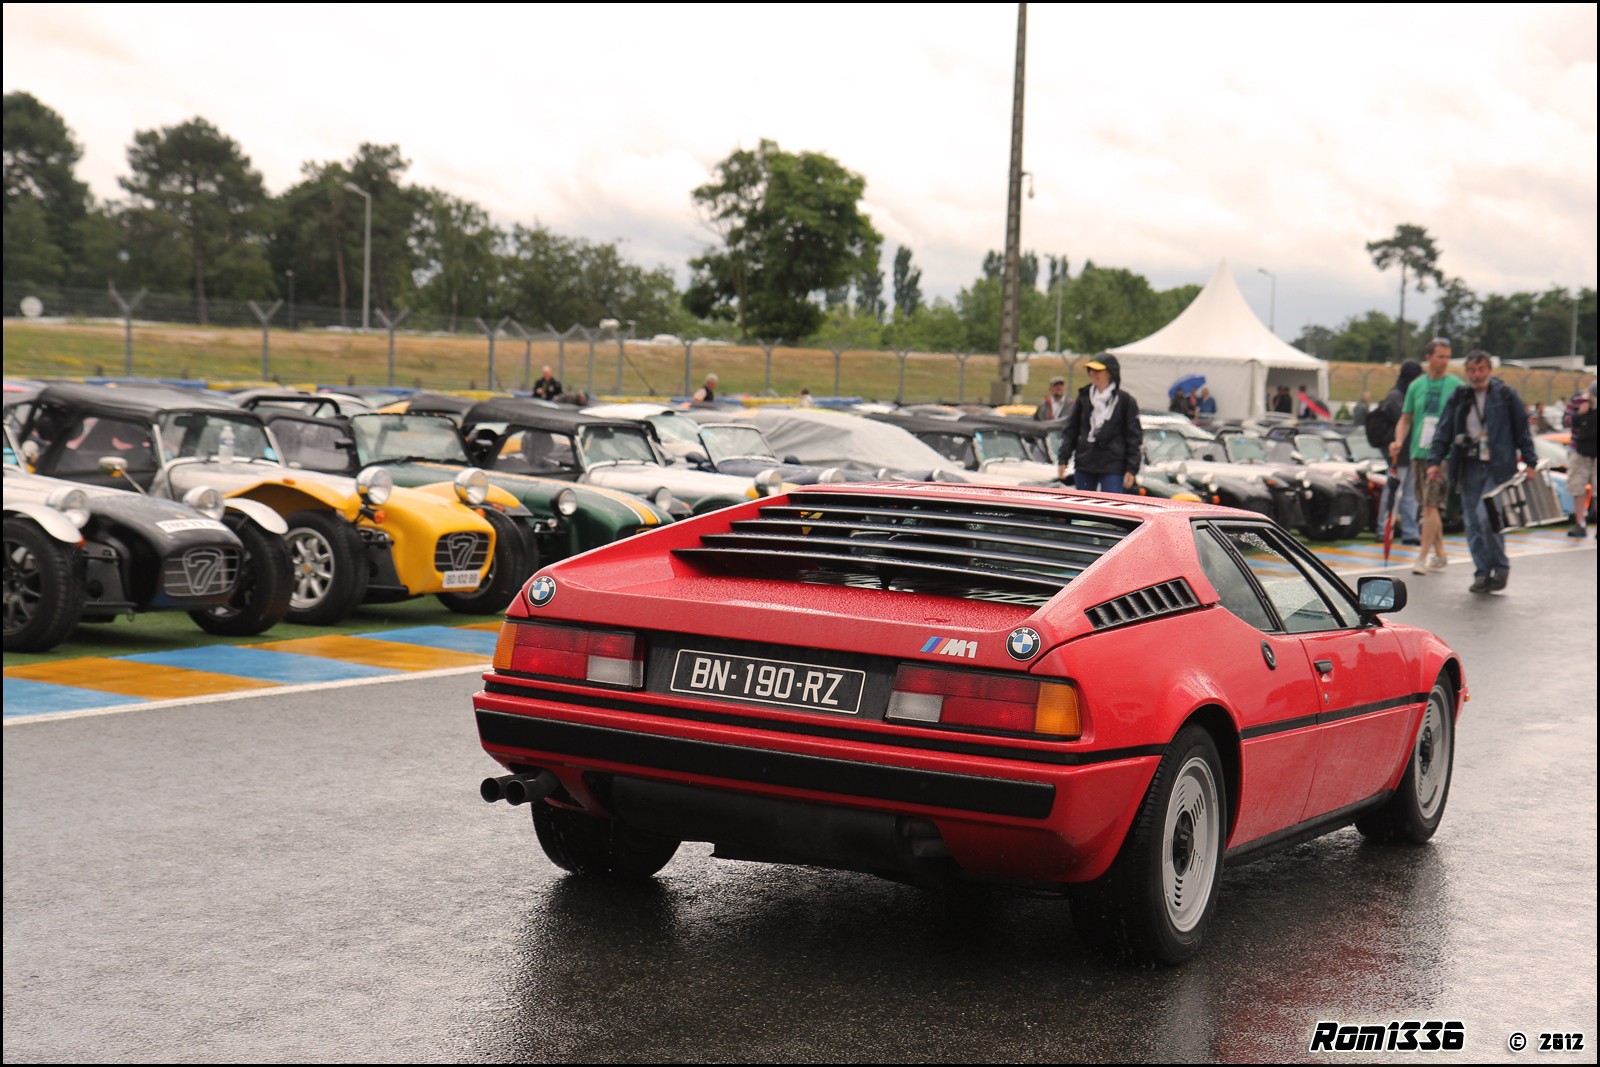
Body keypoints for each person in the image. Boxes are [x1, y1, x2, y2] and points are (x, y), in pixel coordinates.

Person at [1426, 351, 1538, 592]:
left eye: (1481, 370)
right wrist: (1434, 462)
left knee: (1488, 517)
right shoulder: (1460, 397)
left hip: (1498, 467)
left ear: (1489, 370)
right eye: (1472, 371)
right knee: (1473, 521)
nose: (1477, 375)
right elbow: (1443, 431)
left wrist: (1530, 462)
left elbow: (1522, 431)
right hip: (1469, 466)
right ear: (1467, 373)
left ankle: (1500, 567)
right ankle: (1482, 572)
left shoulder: (1506, 396)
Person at [1391, 339, 1462, 575]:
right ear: (1429, 357)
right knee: (1426, 505)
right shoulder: (1416, 386)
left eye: (1447, 357)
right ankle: (1440, 553)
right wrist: (1399, 441)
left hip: (1442, 454)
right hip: (1417, 452)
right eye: (1440, 356)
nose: (1444, 362)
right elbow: (1406, 418)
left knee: (1430, 506)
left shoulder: (1456, 386)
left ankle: (1422, 556)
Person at [1055, 355, 1141, 493]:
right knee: (1083, 508)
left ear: (1110, 373)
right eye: (1090, 370)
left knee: (1111, 509)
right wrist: (1063, 459)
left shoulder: (1125, 401)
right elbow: (1071, 430)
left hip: (1112, 465)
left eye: (1097, 370)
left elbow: (1134, 437)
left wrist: (1131, 468)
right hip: (1085, 463)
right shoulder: (1083, 397)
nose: (1092, 374)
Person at [1370, 360, 1424, 546]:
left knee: (1410, 493)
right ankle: (1382, 529)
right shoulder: (1396, 396)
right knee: (1392, 491)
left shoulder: (1408, 394)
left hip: (1411, 451)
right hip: (1397, 451)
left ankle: (1410, 532)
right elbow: (1407, 418)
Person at [1567, 387, 1596, 538]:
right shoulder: (1578, 400)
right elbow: (1566, 420)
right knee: (1577, 486)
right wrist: (1579, 414)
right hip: (1579, 449)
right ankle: (1580, 523)